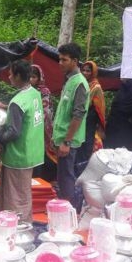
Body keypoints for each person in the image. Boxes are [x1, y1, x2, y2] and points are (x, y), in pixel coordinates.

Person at [0, 60, 44, 222]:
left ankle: (17, 227)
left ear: (18, 76)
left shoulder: (17, 102)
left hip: (18, 155)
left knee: (15, 196)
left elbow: (13, 132)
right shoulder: (34, 93)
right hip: (31, 151)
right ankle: (11, 222)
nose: (9, 77)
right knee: (22, 192)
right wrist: (4, 106)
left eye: (10, 74)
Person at [52, 43, 89, 207]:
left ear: (75, 61)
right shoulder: (70, 81)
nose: (60, 63)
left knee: (66, 177)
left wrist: (67, 142)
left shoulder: (79, 84)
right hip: (62, 139)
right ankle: (65, 208)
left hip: (69, 141)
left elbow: (78, 115)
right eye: (59, 59)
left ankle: (69, 211)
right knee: (62, 177)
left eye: (64, 60)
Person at [75, 60, 106, 170]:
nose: (85, 72)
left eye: (88, 71)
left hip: (89, 119)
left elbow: (100, 106)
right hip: (79, 118)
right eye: (83, 70)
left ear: (93, 72)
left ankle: (82, 169)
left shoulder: (96, 87)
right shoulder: (80, 83)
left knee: (86, 145)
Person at [29, 64, 56, 181]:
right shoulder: (26, 91)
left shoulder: (44, 92)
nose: (31, 79)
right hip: (29, 127)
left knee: (40, 154)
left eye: (34, 77)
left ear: (39, 78)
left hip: (41, 128)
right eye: (29, 76)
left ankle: (41, 179)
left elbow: (45, 111)